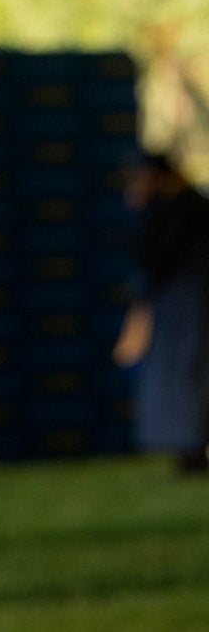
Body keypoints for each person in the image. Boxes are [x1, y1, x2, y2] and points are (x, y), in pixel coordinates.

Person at [114, 152, 209, 473]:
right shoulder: (176, 207)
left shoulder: (184, 209)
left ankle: (192, 452)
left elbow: (152, 257)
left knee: (189, 377)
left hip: (190, 310)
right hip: (177, 309)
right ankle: (188, 451)